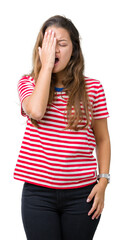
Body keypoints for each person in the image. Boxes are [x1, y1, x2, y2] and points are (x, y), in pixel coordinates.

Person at [13, 15, 111, 240]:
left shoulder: (93, 88)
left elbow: (103, 139)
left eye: (62, 44)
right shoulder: (28, 83)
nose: (55, 49)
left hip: (82, 195)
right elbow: (36, 111)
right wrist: (46, 67)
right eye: (50, 43)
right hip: (38, 195)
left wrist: (103, 182)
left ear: (74, 50)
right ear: (41, 48)